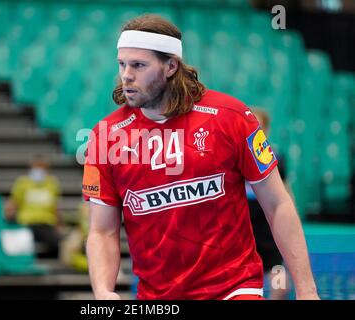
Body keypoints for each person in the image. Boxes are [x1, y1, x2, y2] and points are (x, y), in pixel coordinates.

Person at [82, 14, 319, 300]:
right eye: (122, 64)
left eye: (139, 65)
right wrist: (103, 290)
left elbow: (278, 204)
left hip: (234, 287)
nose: (126, 75)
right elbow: (102, 231)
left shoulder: (232, 117)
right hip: (157, 296)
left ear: (171, 66)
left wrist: (307, 292)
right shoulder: (104, 137)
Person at [246, 107, 290, 300]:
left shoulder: (275, 156)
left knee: (276, 267)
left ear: (265, 130)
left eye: (258, 126)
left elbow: (285, 190)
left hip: (266, 216)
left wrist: (289, 217)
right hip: (241, 216)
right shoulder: (231, 152)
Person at [5, 154, 63, 259]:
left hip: (45, 223)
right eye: (37, 166)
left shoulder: (52, 184)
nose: (39, 170)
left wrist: (58, 225)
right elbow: (13, 203)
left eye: (42, 167)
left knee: (56, 243)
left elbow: (55, 207)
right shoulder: (22, 183)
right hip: (26, 223)